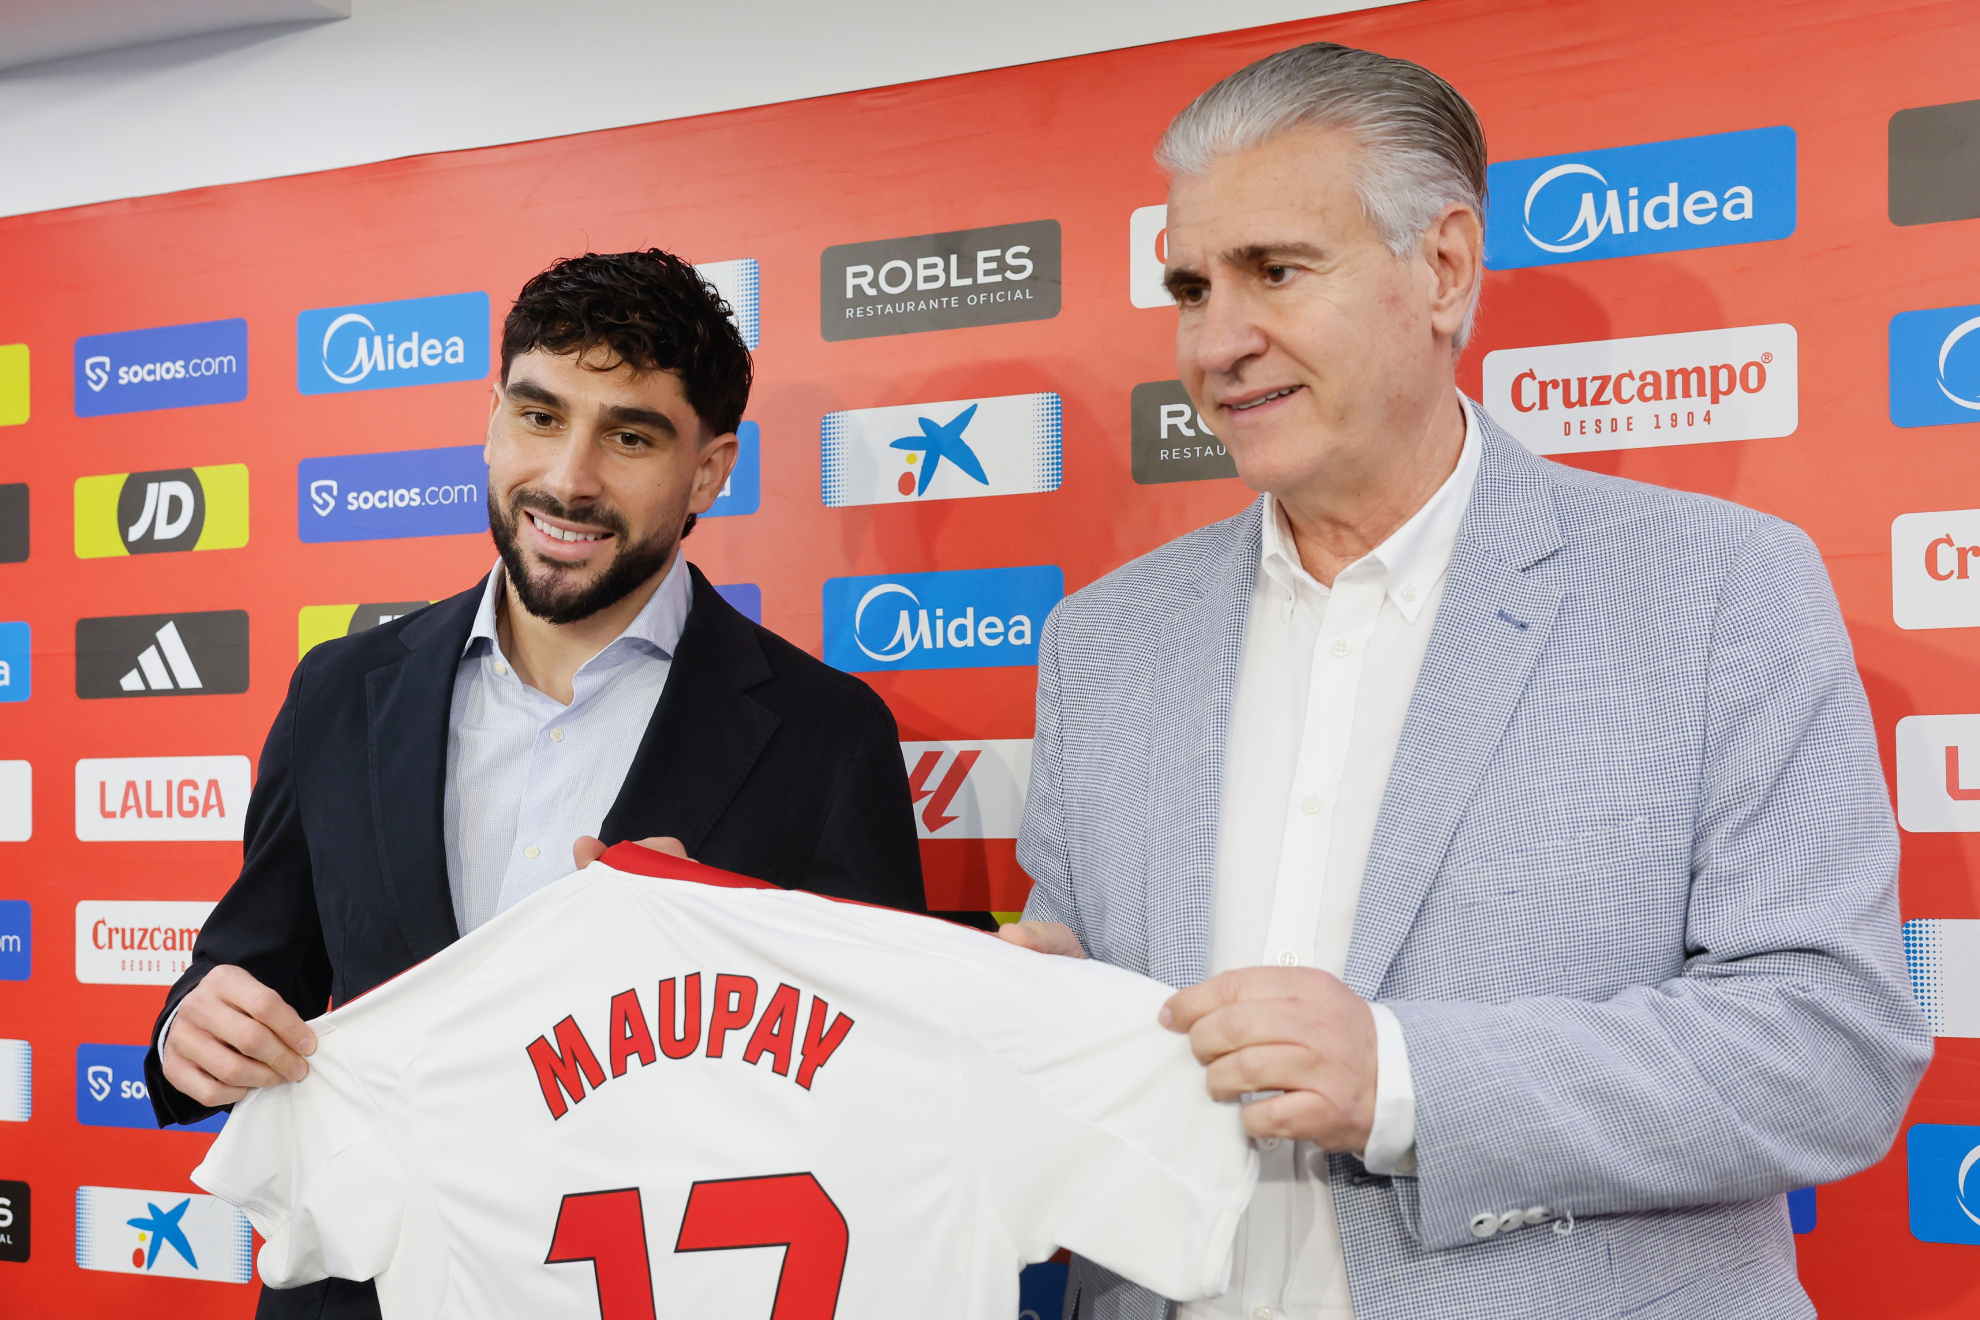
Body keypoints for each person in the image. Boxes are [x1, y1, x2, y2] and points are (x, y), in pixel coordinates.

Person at [1000, 43, 1929, 1320]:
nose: (1218, 342)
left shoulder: (1716, 587)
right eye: (1189, 285)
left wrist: (1404, 1077)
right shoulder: (1103, 641)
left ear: (1441, 268)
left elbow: (1830, 1048)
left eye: (1276, 270)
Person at [145, 249, 925, 1319]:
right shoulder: (341, 690)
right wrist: (194, 1032)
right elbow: (243, 974)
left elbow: (884, 1096)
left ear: (710, 471)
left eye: (631, 436)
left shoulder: (828, 735)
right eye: (540, 416)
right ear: (492, 421)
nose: (568, 479)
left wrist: (725, 953)